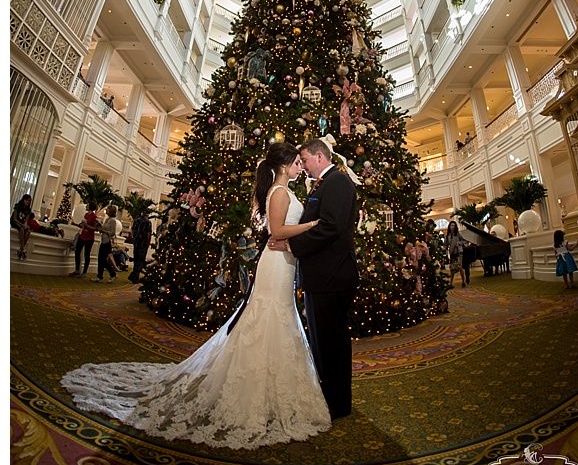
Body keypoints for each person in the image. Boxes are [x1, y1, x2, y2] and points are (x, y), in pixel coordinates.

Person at [61, 142, 330, 448]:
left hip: (284, 263)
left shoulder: (284, 191)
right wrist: (313, 224)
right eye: (296, 162)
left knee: (277, 317)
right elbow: (278, 231)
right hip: (276, 262)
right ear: (283, 166)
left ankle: (270, 389)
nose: (300, 166)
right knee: (268, 317)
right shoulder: (279, 192)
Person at [268, 137, 360, 420]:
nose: (302, 165)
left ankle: (338, 404)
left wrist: (293, 246)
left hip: (332, 276)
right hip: (321, 276)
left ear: (320, 157)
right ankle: (329, 396)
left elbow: (331, 227)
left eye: (304, 160)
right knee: (323, 341)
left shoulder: (339, 183)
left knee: (332, 343)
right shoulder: (325, 184)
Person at [70, 203, 99, 277]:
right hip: (82, 236)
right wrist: (76, 224)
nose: (86, 206)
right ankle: (77, 269)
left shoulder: (94, 217)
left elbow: (96, 229)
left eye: (87, 205)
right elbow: (82, 225)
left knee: (87, 254)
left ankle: (84, 272)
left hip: (89, 238)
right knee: (77, 252)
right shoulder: (86, 215)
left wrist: (87, 226)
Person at [93, 204, 121, 282]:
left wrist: (103, 231)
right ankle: (100, 276)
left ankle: (112, 274)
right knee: (100, 259)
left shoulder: (112, 221)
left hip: (107, 242)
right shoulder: (107, 219)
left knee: (103, 260)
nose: (106, 210)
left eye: (108, 209)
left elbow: (112, 233)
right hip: (103, 240)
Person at [128, 209, 153, 283]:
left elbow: (132, 230)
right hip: (143, 243)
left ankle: (135, 276)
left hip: (136, 242)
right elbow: (148, 233)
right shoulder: (148, 222)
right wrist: (148, 243)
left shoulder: (136, 220)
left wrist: (134, 238)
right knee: (140, 260)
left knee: (136, 259)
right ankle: (134, 275)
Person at [11, 194, 34, 259]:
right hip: (15, 222)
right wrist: (22, 225)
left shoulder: (28, 210)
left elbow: (26, 220)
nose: (27, 202)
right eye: (26, 200)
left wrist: (25, 224)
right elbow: (14, 218)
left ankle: (21, 249)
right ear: (23, 199)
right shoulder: (18, 206)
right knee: (21, 229)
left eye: (29, 201)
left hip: (22, 223)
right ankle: (23, 249)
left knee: (28, 230)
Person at [445, 220, 467, 288]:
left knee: (460, 267)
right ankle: (450, 283)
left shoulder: (458, 234)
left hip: (458, 252)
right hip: (452, 253)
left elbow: (464, 240)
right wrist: (444, 250)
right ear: (449, 226)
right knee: (452, 269)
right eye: (451, 225)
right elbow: (445, 244)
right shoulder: (447, 235)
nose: (453, 227)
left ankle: (463, 282)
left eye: (454, 225)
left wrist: (459, 244)